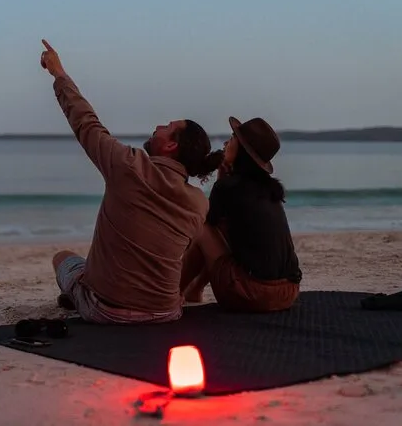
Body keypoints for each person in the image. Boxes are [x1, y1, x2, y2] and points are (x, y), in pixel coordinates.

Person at [39, 39, 223, 324]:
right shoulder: (198, 202)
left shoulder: (128, 166)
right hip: (165, 313)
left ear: (171, 146)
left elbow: (86, 122)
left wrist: (59, 74)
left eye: (167, 127)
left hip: (106, 310)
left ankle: (79, 293)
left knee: (63, 258)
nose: (158, 127)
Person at [179, 116, 302, 312]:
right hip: (288, 292)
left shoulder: (229, 187)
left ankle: (172, 293)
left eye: (232, 138)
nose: (226, 143)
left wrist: (220, 182)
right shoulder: (269, 189)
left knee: (203, 229)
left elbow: (207, 225)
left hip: (253, 294)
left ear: (242, 150)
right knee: (222, 231)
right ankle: (194, 290)